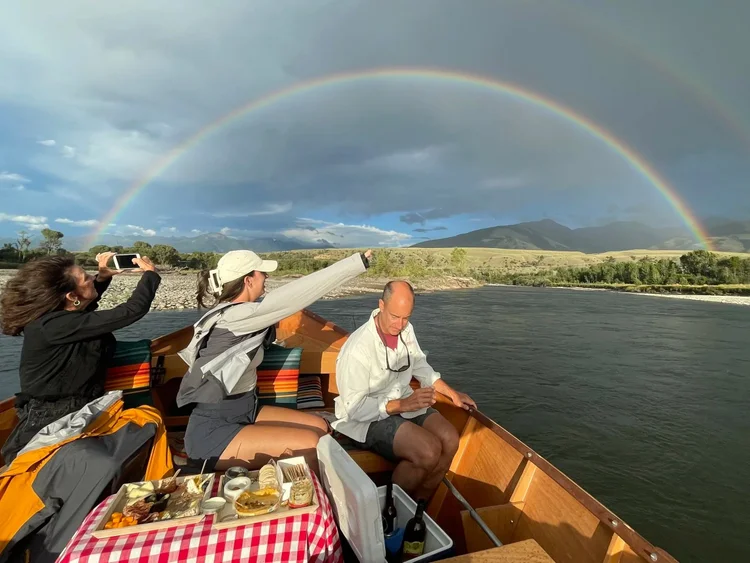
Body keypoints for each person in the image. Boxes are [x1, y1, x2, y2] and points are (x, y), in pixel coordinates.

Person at [0, 252, 171, 563]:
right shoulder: (51, 326)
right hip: (49, 420)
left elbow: (85, 308)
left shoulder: (63, 318)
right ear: (70, 296)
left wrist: (103, 276)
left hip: (85, 413)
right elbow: (129, 311)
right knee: (98, 463)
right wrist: (150, 275)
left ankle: (122, 513)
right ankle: (52, 546)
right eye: (85, 278)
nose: (90, 278)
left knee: (147, 427)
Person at [177, 248, 372, 475]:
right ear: (248, 280)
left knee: (320, 426)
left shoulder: (234, 313)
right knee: (313, 444)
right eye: (262, 273)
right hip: (214, 430)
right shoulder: (238, 315)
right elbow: (296, 295)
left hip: (246, 410)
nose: (266, 277)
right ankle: (311, 504)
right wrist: (355, 263)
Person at [332, 280, 476, 500]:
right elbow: (354, 409)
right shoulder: (357, 349)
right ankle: (389, 512)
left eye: (406, 317)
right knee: (427, 451)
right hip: (366, 419)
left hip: (403, 402)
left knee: (450, 439)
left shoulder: (406, 330)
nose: (400, 325)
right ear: (381, 305)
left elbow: (419, 365)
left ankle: (419, 508)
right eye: (394, 316)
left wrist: (452, 393)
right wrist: (402, 405)